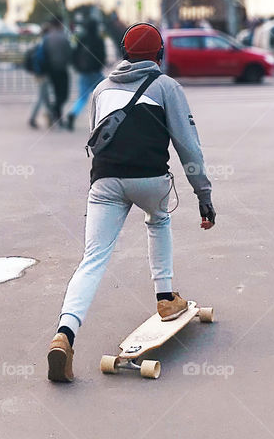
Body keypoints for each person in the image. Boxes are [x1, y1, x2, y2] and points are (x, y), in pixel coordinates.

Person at [47, 22, 217, 383]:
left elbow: (97, 137)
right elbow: (188, 146)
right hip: (150, 180)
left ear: (124, 54)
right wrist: (203, 196)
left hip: (105, 181)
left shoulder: (101, 89)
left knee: (93, 258)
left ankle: (65, 335)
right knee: (158, 219)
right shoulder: (167, 86)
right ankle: (166, 297)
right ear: (159, 55)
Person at [65, 18, 106, 131]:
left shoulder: (82, 39)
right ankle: (103, 118)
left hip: (84, 72)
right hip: (96, 72)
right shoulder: (98, 40)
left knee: (82, 97)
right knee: (104, 93)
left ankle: (73, 113)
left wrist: (78, 68)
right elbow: (102, 56)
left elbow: (74, 54)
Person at [42, 17, 72, 127]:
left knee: (56, 93)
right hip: (62, 69)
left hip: (51, 70)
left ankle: (57, 117)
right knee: (63, 95)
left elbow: (44, 53)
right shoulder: (63, 37)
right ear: (60, 24)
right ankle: (55, 113)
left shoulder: (47, 38)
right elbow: (69, 53)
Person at [24, 39, 52, 129]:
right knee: (41, 97)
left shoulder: (38, 45)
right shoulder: (46, 45)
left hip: (38, 74)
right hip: (43, 75)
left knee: (45, 97)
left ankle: (51, 117)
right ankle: (32, 119)